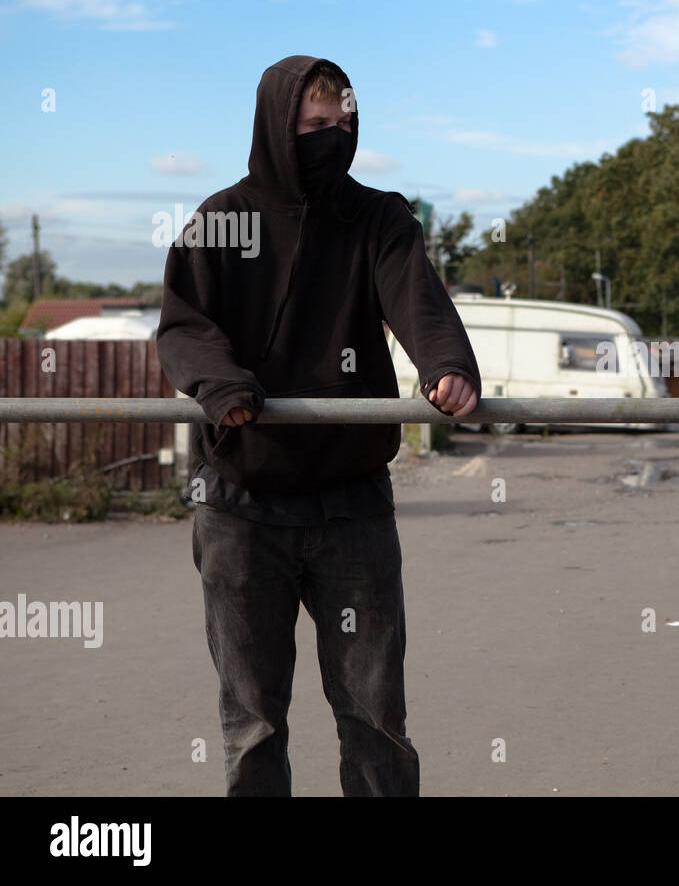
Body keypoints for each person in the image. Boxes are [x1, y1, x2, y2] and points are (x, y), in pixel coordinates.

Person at [156, 55, 481, 796]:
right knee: (253, 719)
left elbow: (417, 301)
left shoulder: (378, 219)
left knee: (374, 716)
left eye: (345, 124)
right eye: (315, 125)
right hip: (243, 506)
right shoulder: (224, 219)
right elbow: (183, 325)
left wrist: (445, 365)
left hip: (352, 506)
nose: (333, 136)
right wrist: (222, 384)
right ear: (278, 126)